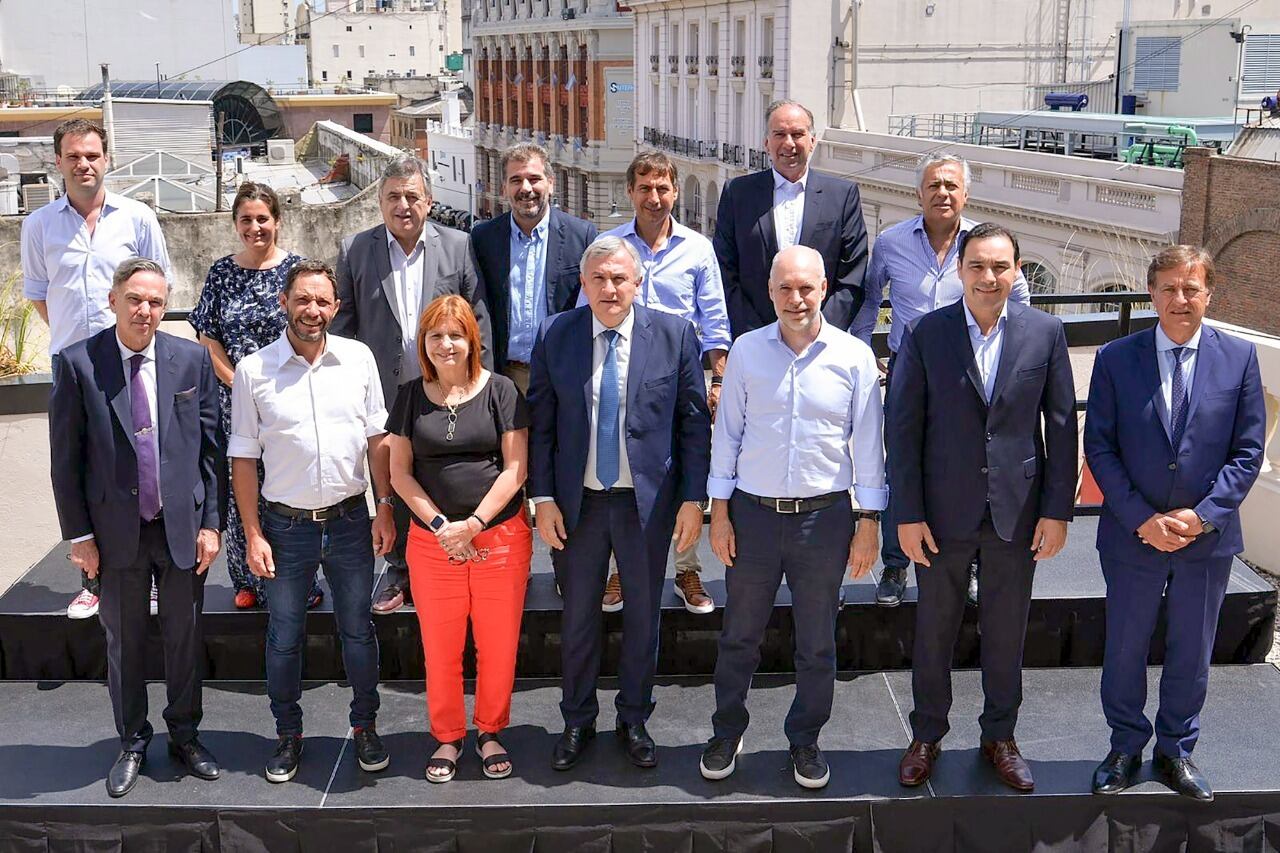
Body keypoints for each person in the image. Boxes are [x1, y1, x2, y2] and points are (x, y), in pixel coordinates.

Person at [888, 223, 1076, 793]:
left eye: (1000, 267)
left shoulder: (1045, 333)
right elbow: (903, 429)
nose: (988, 277)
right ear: (961, 271)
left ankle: (1001, 736)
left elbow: (1062, 429)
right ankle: (926, 734)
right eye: (977, 266)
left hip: (1017, 514)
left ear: (1017, 271)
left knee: (1005, 632)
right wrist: (907, 512)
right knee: (933, 630)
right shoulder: (926, 332)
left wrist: (1057, 511)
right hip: (941, 514)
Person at [697, 245, 885, 789]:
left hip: (824, 521)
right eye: (785, 288)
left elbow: (869, 444)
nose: (796, 298)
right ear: (771, 290)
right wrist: (721, 514)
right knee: (739, 636)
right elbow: (727, 435)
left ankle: (805, 739)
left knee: (817, 641)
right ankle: (726, 732)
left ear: (824, 288)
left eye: (806, 287)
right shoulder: (746, 352)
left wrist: (868, 520)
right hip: (752, 517)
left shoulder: (853, 358)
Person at [1085, 245, 1265, 802]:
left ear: (1210, 294)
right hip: (1132, 537)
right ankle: (1124, 747)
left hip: (1203, 542)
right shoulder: (1117, 358)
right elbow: (1100, 447)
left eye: (1191, 289)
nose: (1179, 299)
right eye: (1168, 288)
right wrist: (1142, 519)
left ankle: (1175, 751)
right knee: (1125, 647)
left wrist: (1202, 516)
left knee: (1192, 650)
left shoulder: (1238, 359)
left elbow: (1248, 450)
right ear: (1151, 294)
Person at [528, 236, 711, 772]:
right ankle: (577, 719)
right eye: (599, 279)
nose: (610, 288)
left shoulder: (675, 335)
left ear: (638, 282)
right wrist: (542, 497)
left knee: (642, 618)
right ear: (583, 285)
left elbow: (693, 424)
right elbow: (540, 425)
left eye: (620, 278)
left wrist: (692, 500)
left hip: (645, 507)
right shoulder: (555, 334)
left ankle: (634, 718)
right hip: (576, 503)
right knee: (579, 616)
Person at [48, 257, 223, 798]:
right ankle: (131, 738)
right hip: (114, 532)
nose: (145, 310)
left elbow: (211, 451)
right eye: (135, 299)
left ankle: (185, 734)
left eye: (155, 301)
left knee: (183, 638)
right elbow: (65, 459)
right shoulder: (79, 363)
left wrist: (211, 524)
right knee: (122, 643)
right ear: (113, 300)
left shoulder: (191, 360)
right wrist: (79, 537)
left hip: (180, 529)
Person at [229, 260, 396, 784]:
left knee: (358, 632)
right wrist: (253, 533)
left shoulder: (359, 359)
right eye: (303, 299)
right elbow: (242, 459)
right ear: (284, 303)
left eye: (323, 301)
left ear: (336, 307)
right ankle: (288, 735)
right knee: (283, 637)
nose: (313, 311)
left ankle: (365, 727)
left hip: (350, 521)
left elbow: (377, 440)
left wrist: (385, 505)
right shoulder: (255, 371)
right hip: (284, 528)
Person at [865, 154, 1032, 608]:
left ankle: (972, 565)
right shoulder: (890, 242)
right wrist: (865, 355)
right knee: (900, 463)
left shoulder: (985, 246)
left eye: (951, 186)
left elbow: (1019, 303)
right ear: (918, 193)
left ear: (966, 194)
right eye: (933, 185)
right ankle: (897, 564)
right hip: (908, 369)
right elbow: (867, 303)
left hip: (972, 373)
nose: (942, 193)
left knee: (972, 466)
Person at [23, 117, 172, 620]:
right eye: (73, 156)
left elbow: (157, 286)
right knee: (78, 467)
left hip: (133, 365)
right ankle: (91, 579)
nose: (83, 164)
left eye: (92, 155)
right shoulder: (38, 226)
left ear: (107, 159)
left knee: (138, 466)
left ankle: (146, 576)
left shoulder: (138, 218)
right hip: (74, 370)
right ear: (58, 162)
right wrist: (79, 352)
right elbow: (41, 296)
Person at [333, 154, 493, 616]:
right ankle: (399, 570)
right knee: (391, 481)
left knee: (439, 475)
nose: (403, 205)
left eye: (412, 196)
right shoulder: (354, 249)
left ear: (429, 200)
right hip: (382, 390)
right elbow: (344, 325)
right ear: (380, 202)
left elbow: (476, 317)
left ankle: (450, 559)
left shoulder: (458, 246)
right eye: (393, 197)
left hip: (445, 385)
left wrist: (481, 384)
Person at [387, 295, 532, 783]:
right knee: (441, 647)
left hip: (499, 539)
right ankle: (448, 736)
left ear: (473, 340)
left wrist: (473, 525)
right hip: (432, 544)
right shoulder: (409, 395)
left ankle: (490, 731)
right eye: (435, 336)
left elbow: (515, 470)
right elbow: (400, 474)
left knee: (497, 644)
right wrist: (440, 527)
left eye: (455, 335)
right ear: (423, 345)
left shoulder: (503, 391)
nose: (445, 344)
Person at [590, 151, 731, 616]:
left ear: (675, 192)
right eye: (645, 188)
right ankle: (618, 569)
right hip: (620, 375)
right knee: (620, 472)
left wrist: (718, 381)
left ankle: (687, 568)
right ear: (630, 192)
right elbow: (584, 308)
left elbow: (713, 319)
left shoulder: (698, 248)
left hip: (678, 379)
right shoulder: (608, 245)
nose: (655, 198)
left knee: (682, 471)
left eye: (663, 188)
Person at [188, 181, 321, 610]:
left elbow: (310, 328)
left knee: (289, 487)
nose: (255, 227)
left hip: (289, 397)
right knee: (242, 486)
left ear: (277, 222)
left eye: (262, 218)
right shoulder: (221, 272)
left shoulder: (297, 270)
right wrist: (237, 382)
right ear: (235, 224)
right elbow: (207, 338)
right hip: (234, 401)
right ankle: (246, 579)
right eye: (246, 219)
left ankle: (299, 578)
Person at [713, 100, 868, 338]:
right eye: (779, 134)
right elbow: (725, 271)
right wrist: (756, 335)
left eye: (798, 134)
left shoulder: (842, 196)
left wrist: (820, 333)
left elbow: (852, 275)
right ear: (767, 143)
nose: (789, 143)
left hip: (822, 344)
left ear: (812, 141)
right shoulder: (738, 194)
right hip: (755, 341)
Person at [469, 142, 597, 394]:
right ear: (504, 187)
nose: (526, 188)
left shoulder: (581, 236)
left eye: (534, 179)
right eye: (516, 180)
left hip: (562, 375)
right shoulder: (483, 238)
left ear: (551, 183)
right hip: (503, 377)